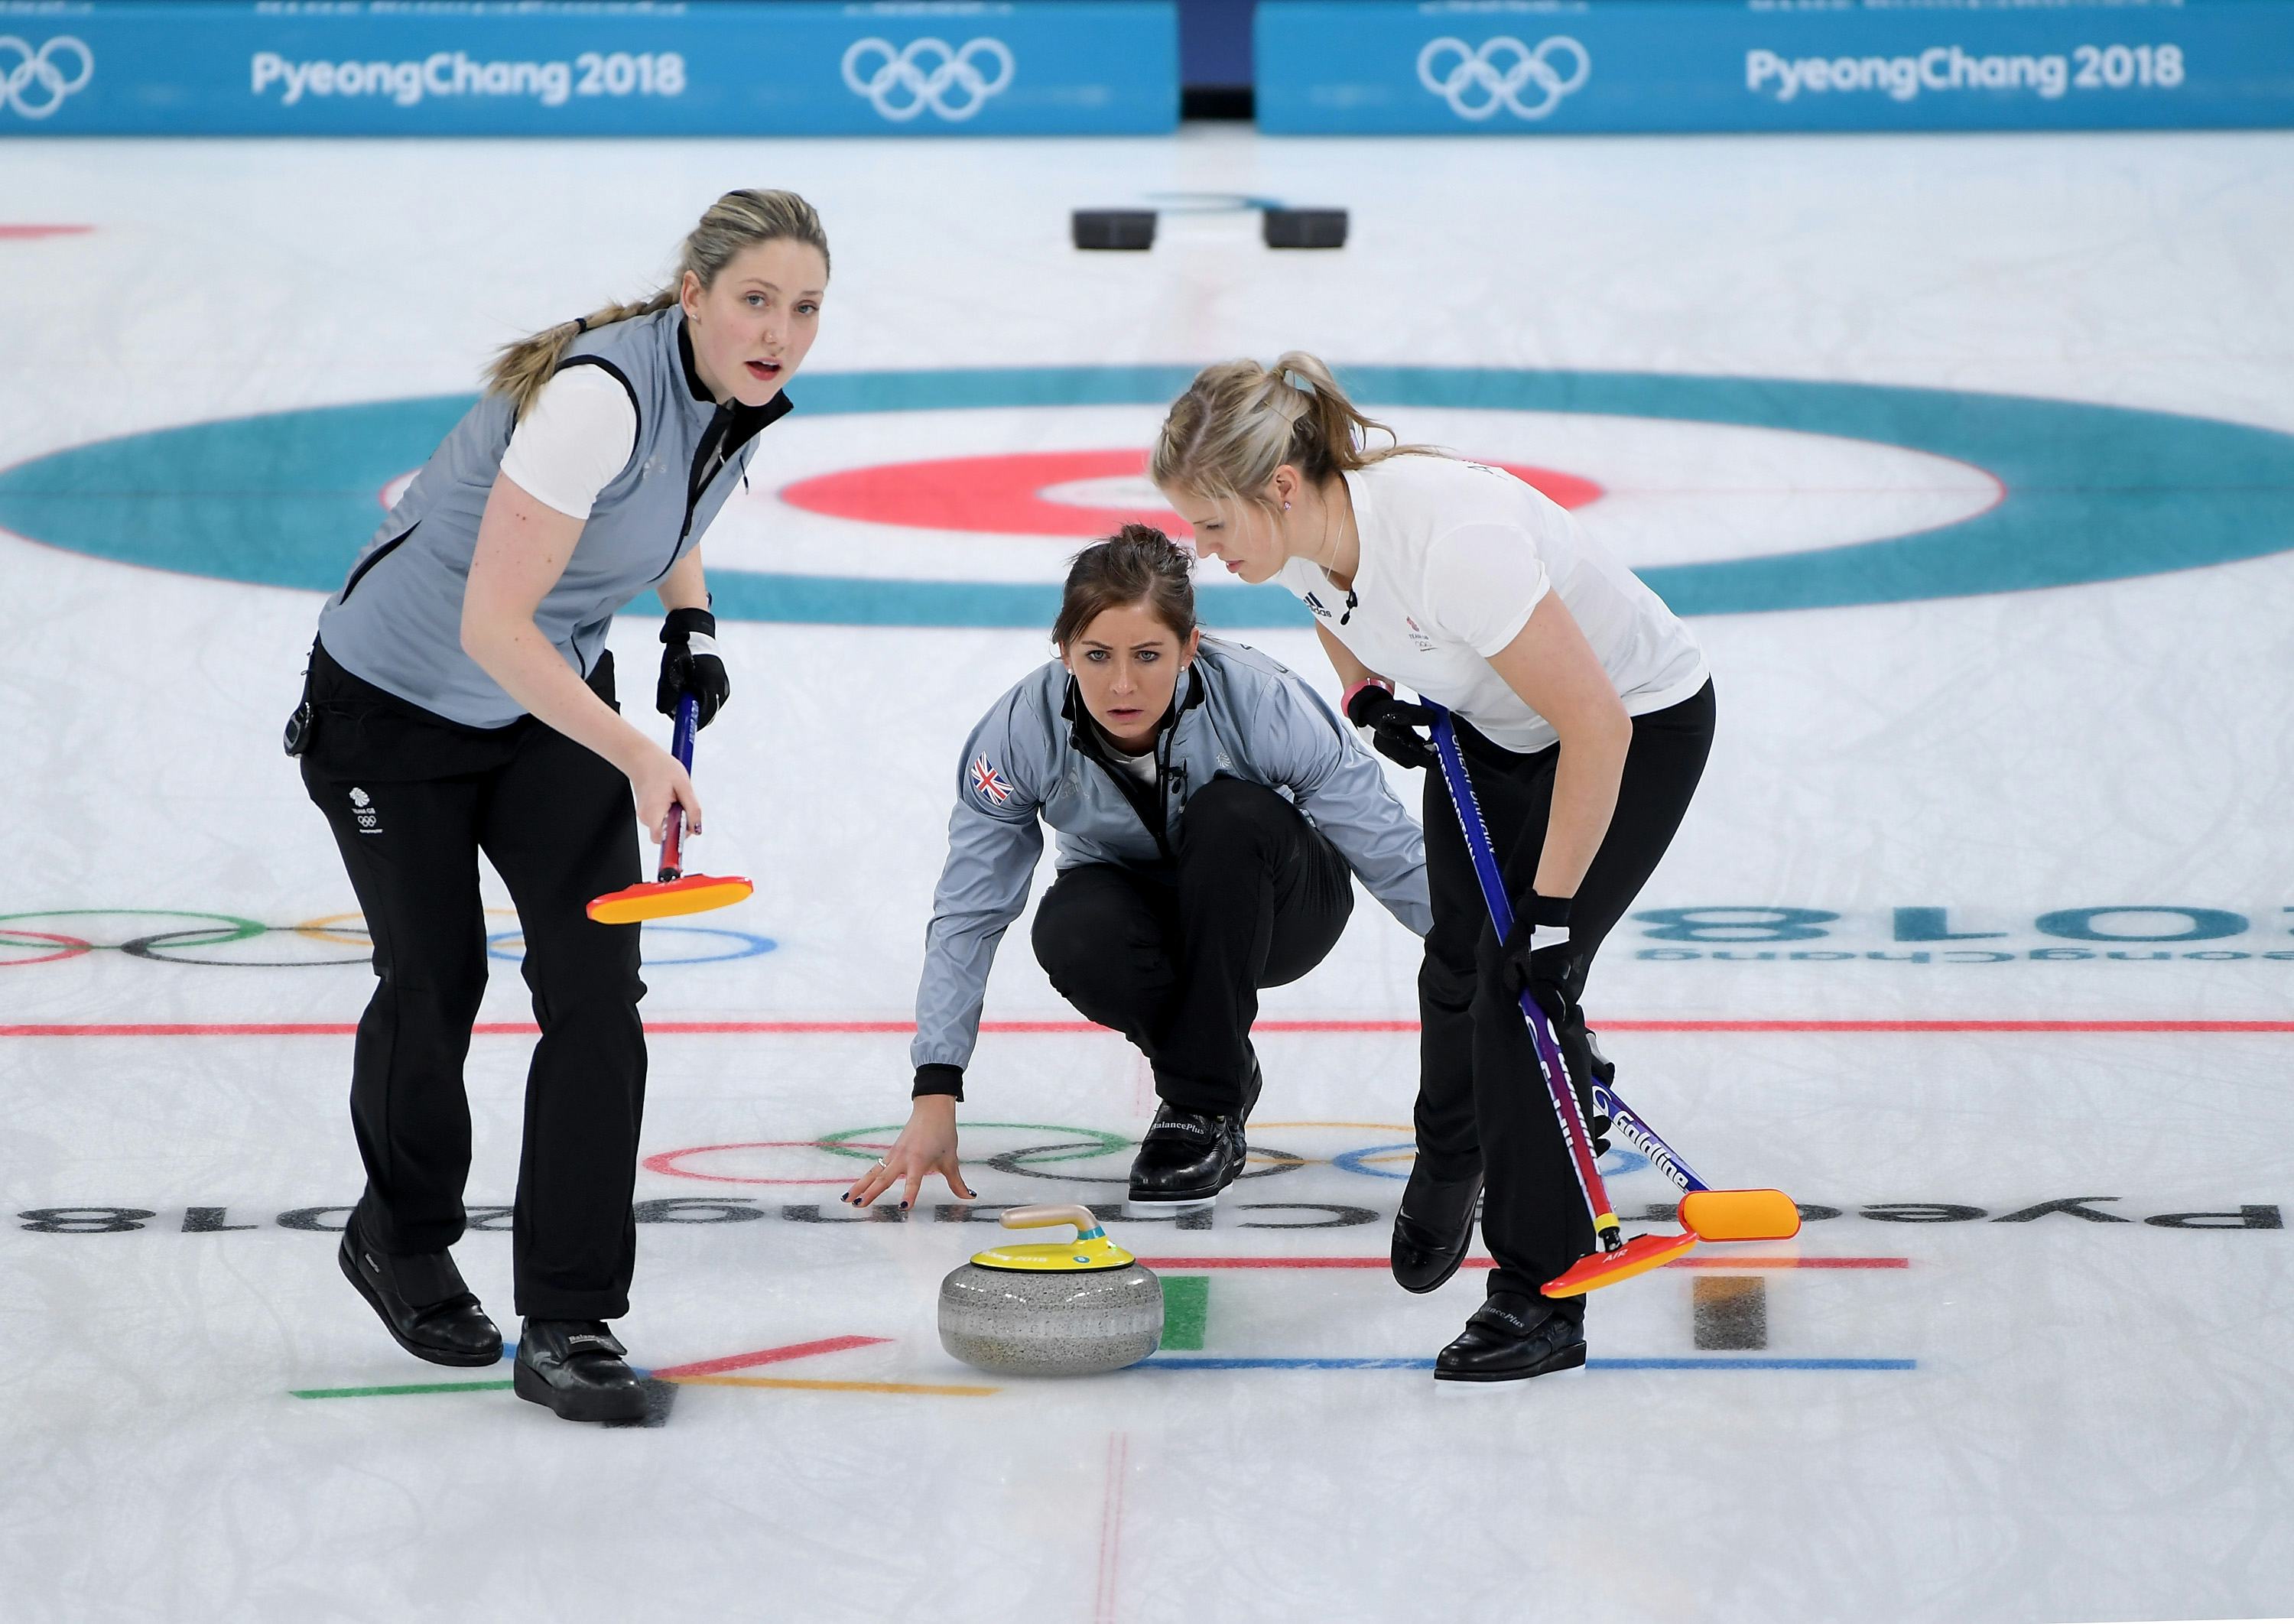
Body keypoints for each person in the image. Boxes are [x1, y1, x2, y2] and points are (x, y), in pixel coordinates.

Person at [287, 189, 828, 1422]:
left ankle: (568, 1316)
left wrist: (687, 619)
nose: (780, 331)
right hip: (397, 704)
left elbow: (667, 504)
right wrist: (639, 752)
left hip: (540, 698)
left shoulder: (734, 389)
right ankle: (401, 1233)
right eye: (756, 299)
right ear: (691, 290)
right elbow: (489, 624)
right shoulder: (595, 396)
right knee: (438, 977)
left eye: (803, 308)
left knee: (594, 992)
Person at [1151, 353, 1714, 1383]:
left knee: (1515, 991)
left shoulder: (1457, 546)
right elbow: (1330, 601)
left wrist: (1550, 919)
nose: (1204, 550)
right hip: (1497, 727)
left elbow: (1595, 725)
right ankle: (1453, 1155)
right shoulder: (1299, 532)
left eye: (1213, 525)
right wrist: (1367, 696)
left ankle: (1541, 1294)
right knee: (1454, 964)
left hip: (1630, 728)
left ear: (1278, 488)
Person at [843, 526, 1430, 1214]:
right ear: (1063, 651)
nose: (1123, 684)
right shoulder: (1017, 736)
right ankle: (1218, 1074)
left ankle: (1200, 1107)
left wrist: (1508, 977)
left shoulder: (1263, 700)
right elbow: (970, 912)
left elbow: (1392, 852)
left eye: (1148, 655)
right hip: (1148, 916)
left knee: (1230, 815)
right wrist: (934, 1089)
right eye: (1097, 656)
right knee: (1071, 930)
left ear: (1189, 648)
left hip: (1283, 907)